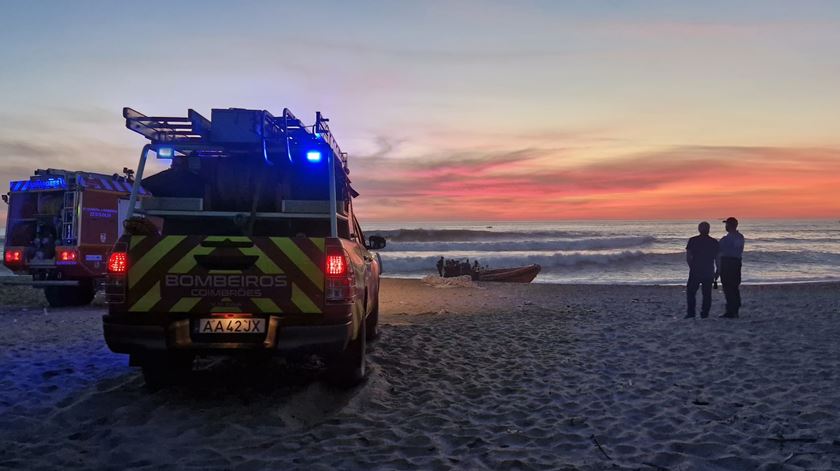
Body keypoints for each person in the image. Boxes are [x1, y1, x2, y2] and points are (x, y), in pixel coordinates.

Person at [685, 221, 719, 318]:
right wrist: (718, 271)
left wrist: (692, 267)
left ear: (699, 229)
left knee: (691, 292)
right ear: (709, 230)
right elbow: (717, 258)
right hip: (708, 270)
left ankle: (691, 313)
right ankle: (705, 314)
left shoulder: (693, 240)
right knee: (707, 294)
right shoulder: (714, 242)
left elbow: (688, 257)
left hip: (696, 269)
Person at [718, 217, 745, 318]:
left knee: (730, 287)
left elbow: (723, 249)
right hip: (733, 262)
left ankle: (732, 310)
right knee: (732, 287)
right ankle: (733, 309)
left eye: (727, 224)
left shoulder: (733, 238)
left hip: (730, 262)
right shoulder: (737, 237)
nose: (726, 226)